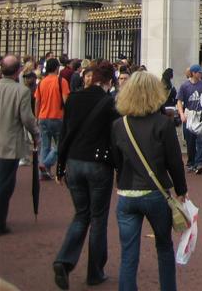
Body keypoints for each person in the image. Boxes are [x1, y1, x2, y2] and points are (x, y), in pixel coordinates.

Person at [111, 71, 188, 291]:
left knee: (128, 254)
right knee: (164, 247)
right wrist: (181, 189)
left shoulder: (119, 124)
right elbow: (174, 161)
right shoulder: (163, 124)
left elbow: (117, 160)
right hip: (155, 192)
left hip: (127, 193)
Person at [52, 60, 118, 289]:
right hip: (98, 164)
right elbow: (114, 138)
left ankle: (64, 260)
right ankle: (95, 272)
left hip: (73, 162)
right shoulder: (108, 102)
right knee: (98, 219)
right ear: (108, 81)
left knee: (81, 215)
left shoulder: (74, 98)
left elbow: (65, 133)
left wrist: (60, 166)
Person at [0, 55, 40, 236]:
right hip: (10, 144)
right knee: (4, 185)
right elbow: (27, 119)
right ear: (17, 71)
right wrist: (36, 134)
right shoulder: (21, 91)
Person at [36, 57, 71, 180]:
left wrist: (37, 116)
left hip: (43, 116)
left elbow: (37, 101)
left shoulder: (41, 82)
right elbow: (66, 101)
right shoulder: (62, 81)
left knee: (45, 146)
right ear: (57, 68)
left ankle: (43, 172)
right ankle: (46, 164)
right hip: (57, 116)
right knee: (60, 145)